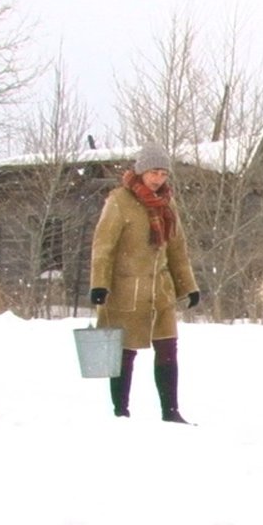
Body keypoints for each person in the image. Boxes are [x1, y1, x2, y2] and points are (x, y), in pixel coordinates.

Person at [89, 142, 200, 423]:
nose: (158, 179)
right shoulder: (119, 201)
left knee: (167, 348)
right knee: (125, 352)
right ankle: (121, 412)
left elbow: (177, 248)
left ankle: (171, 412)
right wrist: (99, 284)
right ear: (140, 171)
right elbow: (103, 247)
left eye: (163, 174)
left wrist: (188, 285)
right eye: (153, 173)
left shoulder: (167, 203)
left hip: (160, 292)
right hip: (127, 290)